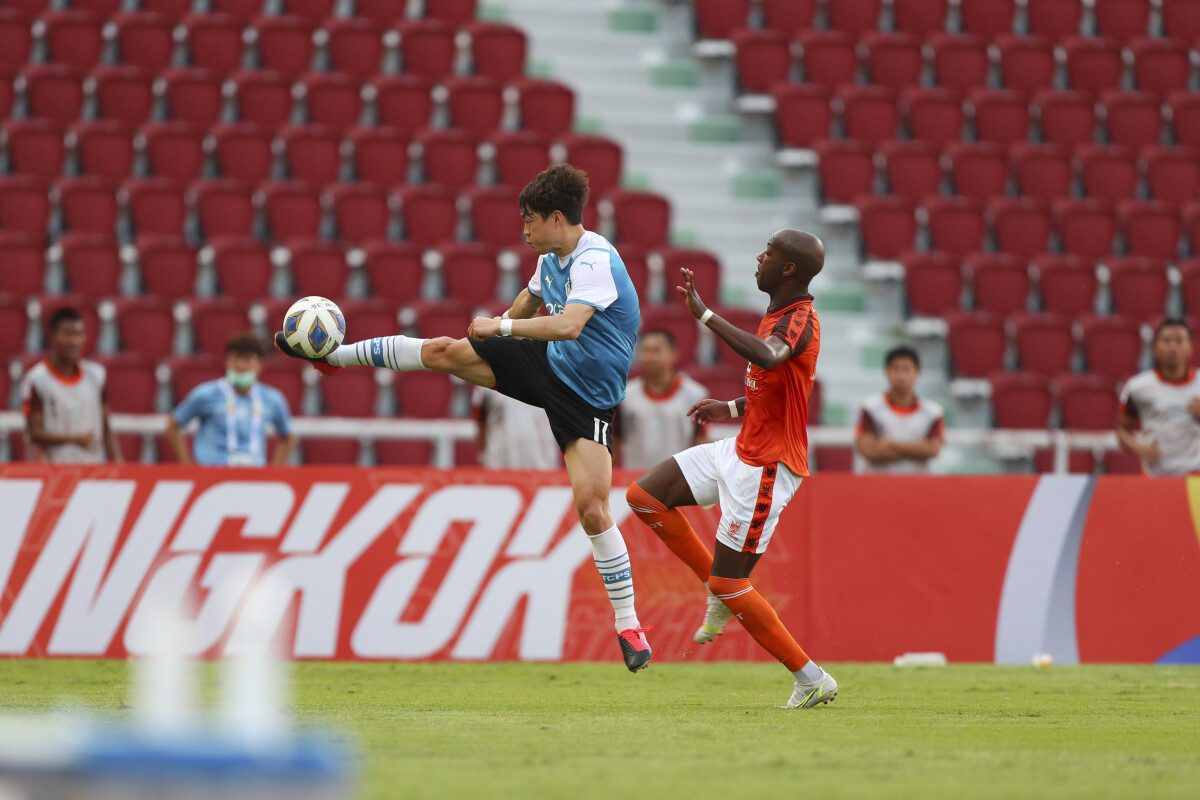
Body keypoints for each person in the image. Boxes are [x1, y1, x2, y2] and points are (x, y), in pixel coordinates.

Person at [273, 164, 653, 671]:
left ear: (556, 218)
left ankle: (628, 624)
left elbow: (568, 324)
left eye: (530, 220)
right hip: (546, 365)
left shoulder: (594, 259)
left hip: (587, 398)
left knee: (593, 510)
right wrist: (491, 331)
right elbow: (531, 298)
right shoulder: (552, 256)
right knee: (444, 350)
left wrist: (500, 327)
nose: (524, 230)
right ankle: (331, 360)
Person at [625, 229, 838, 709]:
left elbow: (768, 356)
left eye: (769, 253)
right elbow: (780, 388)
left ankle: (811, 678)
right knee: (644, 496)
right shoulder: (778, 313)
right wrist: (731, 405)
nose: (759, 258)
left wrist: (704, 314)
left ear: (787, 269)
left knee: (731, 581)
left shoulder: (799, 319)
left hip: (768, 466)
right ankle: (717, 586)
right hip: (741, 447)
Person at [166, 333, 296, 467]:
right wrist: (188, 465)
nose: (240, 365)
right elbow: (173, 424)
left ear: (260, 364)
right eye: (234, 359)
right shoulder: (206, 394)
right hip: (212, 475)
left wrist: (274, 471)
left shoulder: (272, 399)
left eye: (247, 360)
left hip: (253, 478)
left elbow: (288, 437)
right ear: (226, 361)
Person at [20, 307, 121, 464]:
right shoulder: (37, 380)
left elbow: (105, 425)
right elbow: (33, 432)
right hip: (55, 471)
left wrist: (118, 462)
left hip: (93, 469)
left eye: (78, 334)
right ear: (52, 337)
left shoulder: (97, 376)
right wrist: (74, 439)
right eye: (67, 334)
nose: (74, 341)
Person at [1116, 318, 1200, 475]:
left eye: (1179, 341)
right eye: (1167, 341)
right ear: (1156, 348)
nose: (1173, 347)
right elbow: (1122, 430)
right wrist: (1139, 448)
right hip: (1155, 477)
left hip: (1194, 477)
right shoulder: (1136, 386)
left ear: (1190, 348)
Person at [616, 329, 708, 470]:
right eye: (646, 350)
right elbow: (614, 442)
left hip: (678, 481)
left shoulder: (695, 395)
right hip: (634, 480)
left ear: (674, 354)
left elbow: (701, 443)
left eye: (657, 351)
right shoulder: (625, 396)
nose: (650, 357)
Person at [853, 345, 945, 474]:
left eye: (906, 370)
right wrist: (918, 449)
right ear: (886, 371)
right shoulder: (870, 408)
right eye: (895, 369)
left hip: (916, 487)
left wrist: (888, 444)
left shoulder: (933, 412)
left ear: (917, 372)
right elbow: (867, 450)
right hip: (878, 486)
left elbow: (934, 449)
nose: (901, 376)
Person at [472, 387, 561, 469]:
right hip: (500, 466)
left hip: (542, 466)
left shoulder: (553, 375)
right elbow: (480, 421)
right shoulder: (487, 375)